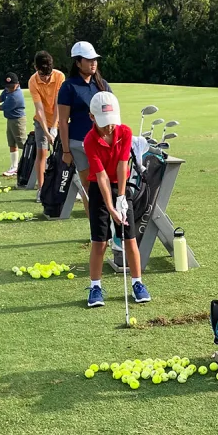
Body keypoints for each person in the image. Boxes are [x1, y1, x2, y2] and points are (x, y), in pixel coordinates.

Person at [83, 91, 151, 309]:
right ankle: (95, 287)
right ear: (92, 117)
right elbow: (101, 176)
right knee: (99, 241)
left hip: (120, 186)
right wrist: (111, 207)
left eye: (112, 122)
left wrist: (121, 197)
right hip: (98, 188)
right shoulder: (89, 140)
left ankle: (138, 283)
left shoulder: (125, 132)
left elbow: (123, 165)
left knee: (130, 238)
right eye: (104, 124)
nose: (109, 127)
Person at [57, 41, 111, 216]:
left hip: (103, 143)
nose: (93, 63)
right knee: (89, 188)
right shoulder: (68, 86)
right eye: (88, 60)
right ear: (78, 62)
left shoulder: (102, 84)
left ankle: (109, 230)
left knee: (107, 183)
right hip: (79, 143)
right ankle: (96, 230)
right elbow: (63, 121)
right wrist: (65, 151)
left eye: (95, 59)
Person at [27, 51, 65, 202]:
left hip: (60, 118)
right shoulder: (33, 81)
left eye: (48, 75)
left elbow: (58, 104)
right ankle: (41, 189)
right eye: (43, 75)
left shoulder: (59, 77)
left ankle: (67, 186)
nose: (46, 78)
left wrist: (55, 128)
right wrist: (47, 133)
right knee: (42, 153)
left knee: (66, 152)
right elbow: (39, 109)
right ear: (35, 68)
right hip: (41, 121)